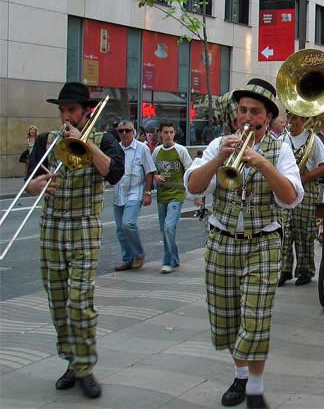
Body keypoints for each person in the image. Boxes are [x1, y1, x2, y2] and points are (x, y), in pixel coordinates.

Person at [185, 78, 303, 409]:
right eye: (242, 111)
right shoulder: (217, 144)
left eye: (254, 112)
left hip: (262, 242)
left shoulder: (281, 150)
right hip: (221, 239)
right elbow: (194, 187)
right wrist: (216, 160)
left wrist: (264, 164)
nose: (247, 118)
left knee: (255, 319)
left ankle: (255, 390)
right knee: (225, 321)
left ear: (267, 117)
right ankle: (240, 375)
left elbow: (291, 197)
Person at [25, 82, 124, 399]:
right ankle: (73, 362)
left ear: (85, 112)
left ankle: (86, 367)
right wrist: (35, 185)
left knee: (80, 302)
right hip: (51, 227)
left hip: (84, 227)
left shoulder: (104, 139)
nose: (66, 117)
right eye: (62, 111)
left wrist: (86, 144)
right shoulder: (45, 141)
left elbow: (114, 173)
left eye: (71, 111)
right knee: (58, 302)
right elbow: (30, 182)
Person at [279, 112, 324, 286]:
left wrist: (302, 179)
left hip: (307, 189)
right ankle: (284, 270)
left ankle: (305, 270)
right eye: (289, 117)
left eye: (295, 118)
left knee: (305, 231)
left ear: (303, 119)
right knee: (285, 229)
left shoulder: (314, 140)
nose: (291, 121)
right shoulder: (282, 139)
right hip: (285, 188)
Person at [112, 120, 156, 271]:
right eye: (121, 131)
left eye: (127, 130)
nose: (124, 133)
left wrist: (148, 193)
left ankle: (138, 254)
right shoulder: (114, 148)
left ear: (134, 132)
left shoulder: (142, 148)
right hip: (119, 192)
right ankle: (127, 259)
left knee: (128, 223)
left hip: (135, 192)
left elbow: (149, 171)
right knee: (120, 229)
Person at [151, 121, 194, 274]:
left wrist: (194, 193)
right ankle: (174, 258)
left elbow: (190, 169)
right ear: (160, 134)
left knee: (169, 226)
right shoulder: (156, 151)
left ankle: (167, 260)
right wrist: (155, 176)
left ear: (174, 133)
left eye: (171, 132)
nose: (168, 135)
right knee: (165, 230)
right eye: (165, 132)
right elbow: (152, 170)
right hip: (162, 195)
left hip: (177, 194)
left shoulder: (181, 150)